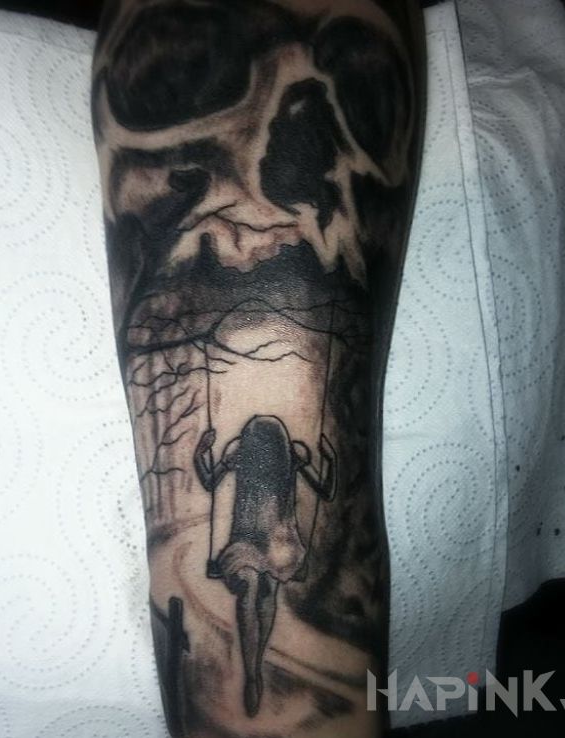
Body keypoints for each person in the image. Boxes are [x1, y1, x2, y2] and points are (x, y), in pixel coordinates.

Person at [92, 0, 426, 734]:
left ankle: (252, 672)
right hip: (263, 542)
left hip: (263, 542)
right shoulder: (266, 445)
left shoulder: (260, 446)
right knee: (258, 600)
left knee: (259, 601)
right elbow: (273, 471)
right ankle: (251, 671)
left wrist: (248, 457)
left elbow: (261, 472)